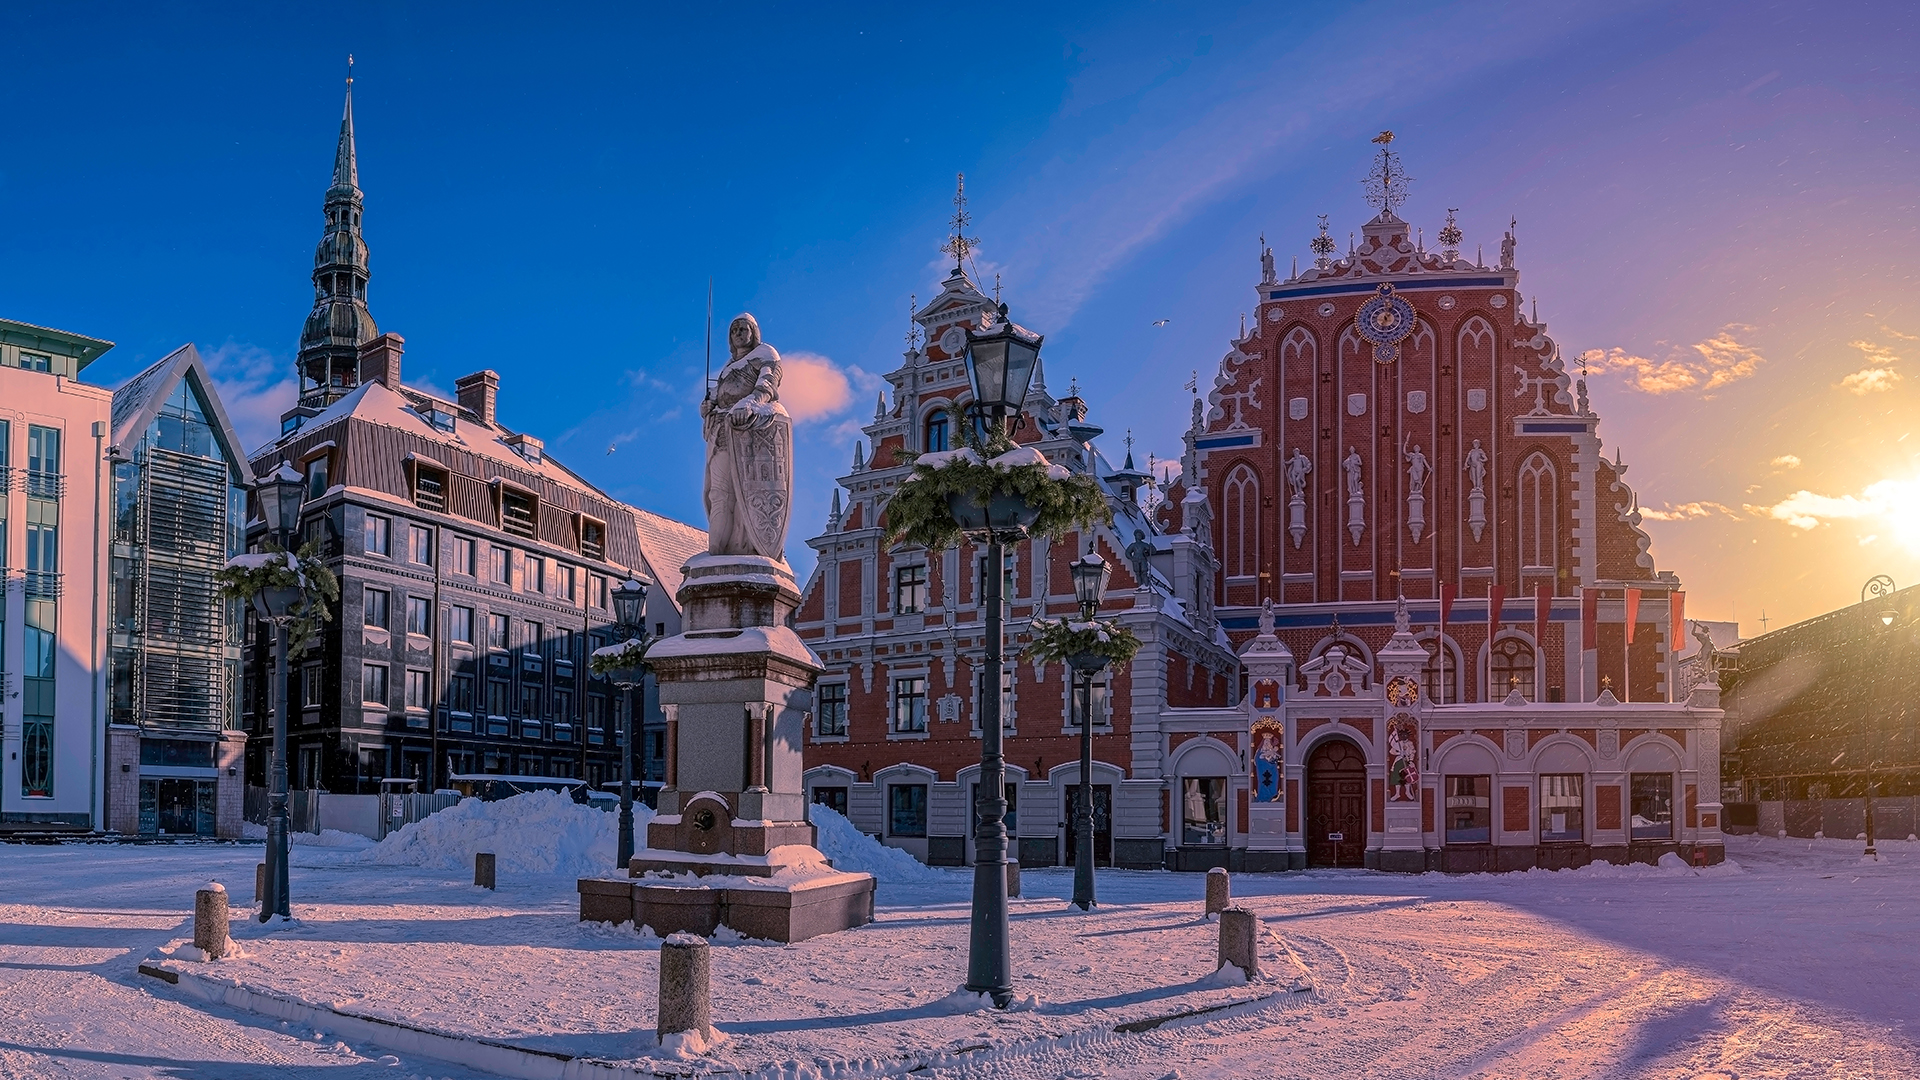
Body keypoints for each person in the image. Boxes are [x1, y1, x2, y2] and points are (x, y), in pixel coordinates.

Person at [701, 314, 793, 559]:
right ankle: (716, 551)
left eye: (743, 328)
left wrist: (750, 403)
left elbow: (767, 385)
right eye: (734, 330)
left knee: (749, 495)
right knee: (718, 493)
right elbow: (716, 395)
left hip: (749, 434)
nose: (739, 333)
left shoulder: (766, 354)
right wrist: (708, 405)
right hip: (722, 432)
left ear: (754, 331)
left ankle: (752, 545)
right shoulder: (728, 366)